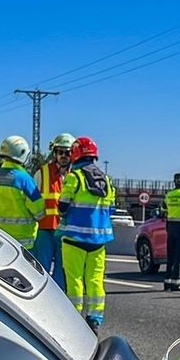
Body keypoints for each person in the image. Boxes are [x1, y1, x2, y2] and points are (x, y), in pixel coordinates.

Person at [59, 136, 116, 334]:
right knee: (95, 280)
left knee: (74, 279)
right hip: (98, 241)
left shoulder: (74, 177)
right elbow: (111, 208)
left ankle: (74, 317)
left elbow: (62, 205)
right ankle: (94, 319)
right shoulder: (106, 180)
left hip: (74, 239)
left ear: (75, 154)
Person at [34, 132, 75, 289]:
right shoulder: (42, 173)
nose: (63, 156)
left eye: (67, 152)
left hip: (66, 231)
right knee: (40, 269)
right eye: (60, 152)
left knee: (63, 270)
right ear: (54, 153)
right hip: (45, 229)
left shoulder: (76, 176)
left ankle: (59, 299)